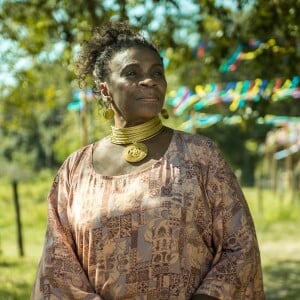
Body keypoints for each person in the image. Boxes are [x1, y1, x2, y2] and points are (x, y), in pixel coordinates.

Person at [31, 21, 265, 300]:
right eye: (132, 73)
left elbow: (239, 246)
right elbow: (57, 268)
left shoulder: (201, 155)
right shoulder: (74, 170)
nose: (150, 80)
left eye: (157, 72)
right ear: (105, 89)